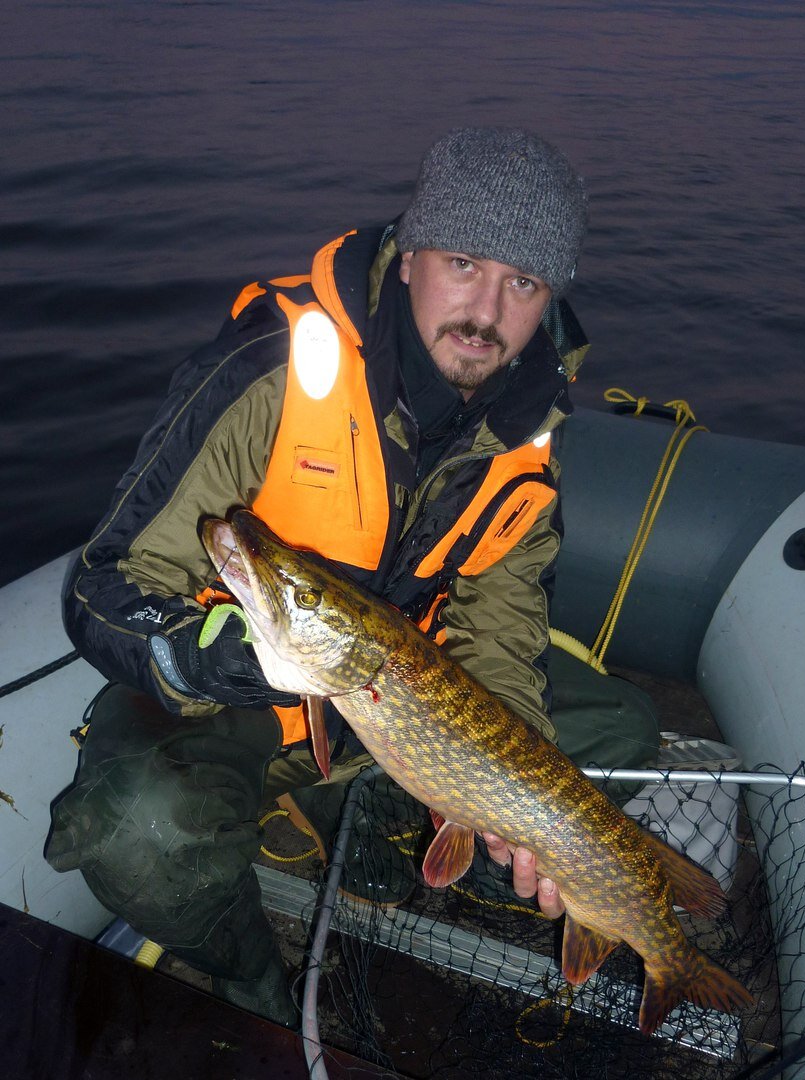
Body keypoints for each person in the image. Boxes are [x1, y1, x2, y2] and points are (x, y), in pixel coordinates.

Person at [45, 127, 659, 1026]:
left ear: (548, 299)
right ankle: (253, 986)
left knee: (618, 730)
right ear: (410, 258)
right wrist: (202, 658)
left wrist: (513, 805)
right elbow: (103, 583)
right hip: (241, 705)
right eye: (463, 263)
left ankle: (370, 823)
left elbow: (498, 633)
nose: (486, 311)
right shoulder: (275, 368)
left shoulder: (526, 435)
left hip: (392, 708)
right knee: (138, 834)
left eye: (523, 283)